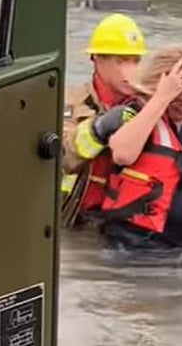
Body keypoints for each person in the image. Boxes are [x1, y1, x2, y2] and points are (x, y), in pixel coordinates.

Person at [72, 45, 182, 251]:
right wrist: (162, 98)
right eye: (177, 102)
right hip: (134, 244)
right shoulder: (133, 113)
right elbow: (122, 155)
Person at [60, 14, 147, 228]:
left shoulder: (148, 108)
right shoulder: (68, 103)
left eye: (136, 61)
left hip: (124, 229)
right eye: (121, 61)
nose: (131, 71)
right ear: (98, 59)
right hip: (73, 222)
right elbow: (64, 157)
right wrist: (100, 127)